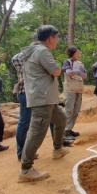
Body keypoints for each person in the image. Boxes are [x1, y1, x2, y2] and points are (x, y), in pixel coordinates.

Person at [19, 25, 69, 183]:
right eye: (56, 37)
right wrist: (58, 67)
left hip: (47, 99)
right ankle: (26, 169)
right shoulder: (42, 51)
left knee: (61, 119)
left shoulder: (33, 50)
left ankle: (58, 149)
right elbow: (56, 71)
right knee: (37, 132)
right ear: (50, 38)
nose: (57, 40)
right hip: (42, 99)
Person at [12, 44, 72, 162]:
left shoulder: (23, 56)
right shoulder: (33, 55)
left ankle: (57, 146)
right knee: (27, 124)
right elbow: (53, 71)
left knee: (56, 119)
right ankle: (23, 156)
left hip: (35, 93)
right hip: (31, 92)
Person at [62, 46, 87, 139]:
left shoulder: (80, 63)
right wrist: (78, 72)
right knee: (69, 110)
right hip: (70, 89)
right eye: (77, 52)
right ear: (73, 53)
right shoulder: (67, 62)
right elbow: (69, 72)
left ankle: (69, 129)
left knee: (76, 111)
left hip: (79, 89)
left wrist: (77, 72)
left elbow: (85, 75)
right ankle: (65, 131)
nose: (79, 53)